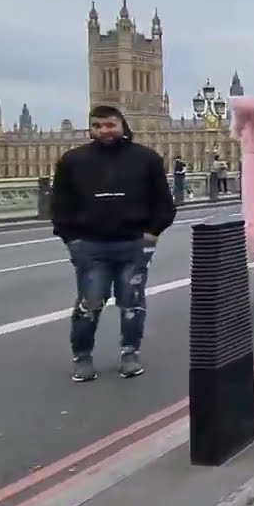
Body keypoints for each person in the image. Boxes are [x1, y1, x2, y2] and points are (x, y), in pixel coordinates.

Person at [51, 105, 176, 382]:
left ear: (121, 125)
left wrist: (152, 233)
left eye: (110, 125)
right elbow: (59, 204)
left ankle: (130, 353)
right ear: (90, 128)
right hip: (90, 246)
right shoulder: (73, 160)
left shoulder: (146, 159)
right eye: (97, 126)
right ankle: (82, 358)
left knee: (132, 302)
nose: (104, 131)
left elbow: (164, 204)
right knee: (89, 302)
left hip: (133, 244)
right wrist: (72, 239)